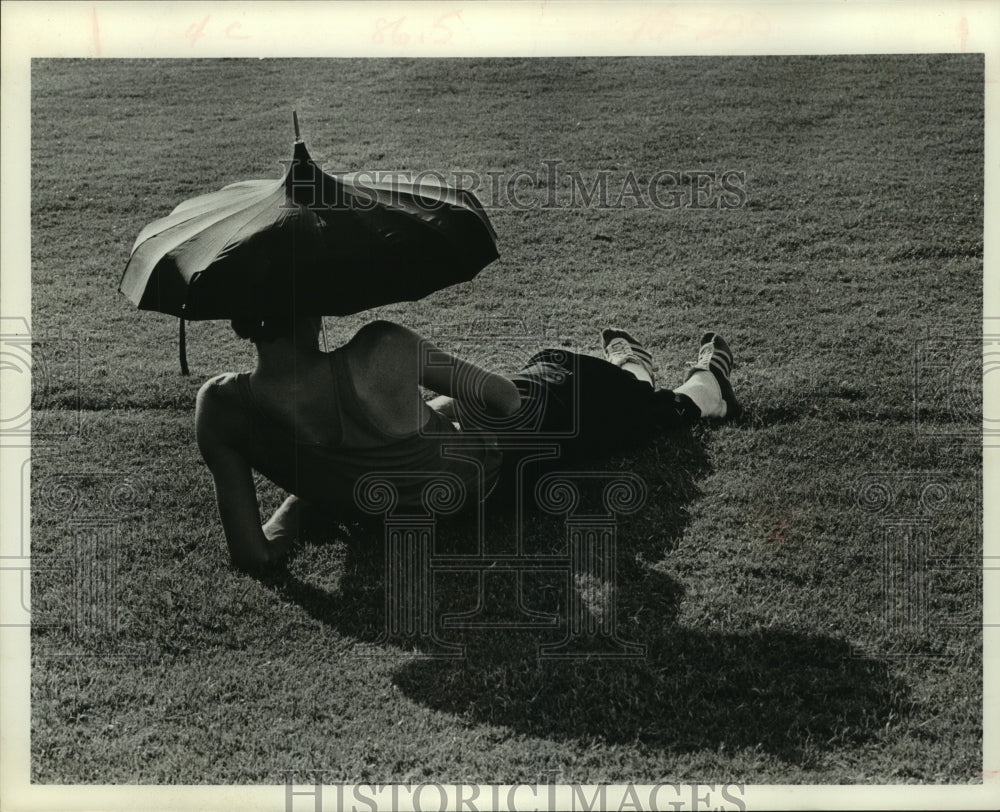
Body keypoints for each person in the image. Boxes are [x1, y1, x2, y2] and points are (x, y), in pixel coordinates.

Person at [195, 317, 740, 572]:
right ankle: (698, 390)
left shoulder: (220, 407)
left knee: (586, 395)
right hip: (499, 466)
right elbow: (501, 400)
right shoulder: (379, 349)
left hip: (416, 501)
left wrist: (300, 503)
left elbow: (254, 552)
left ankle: (631, 372)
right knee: (560, 379)